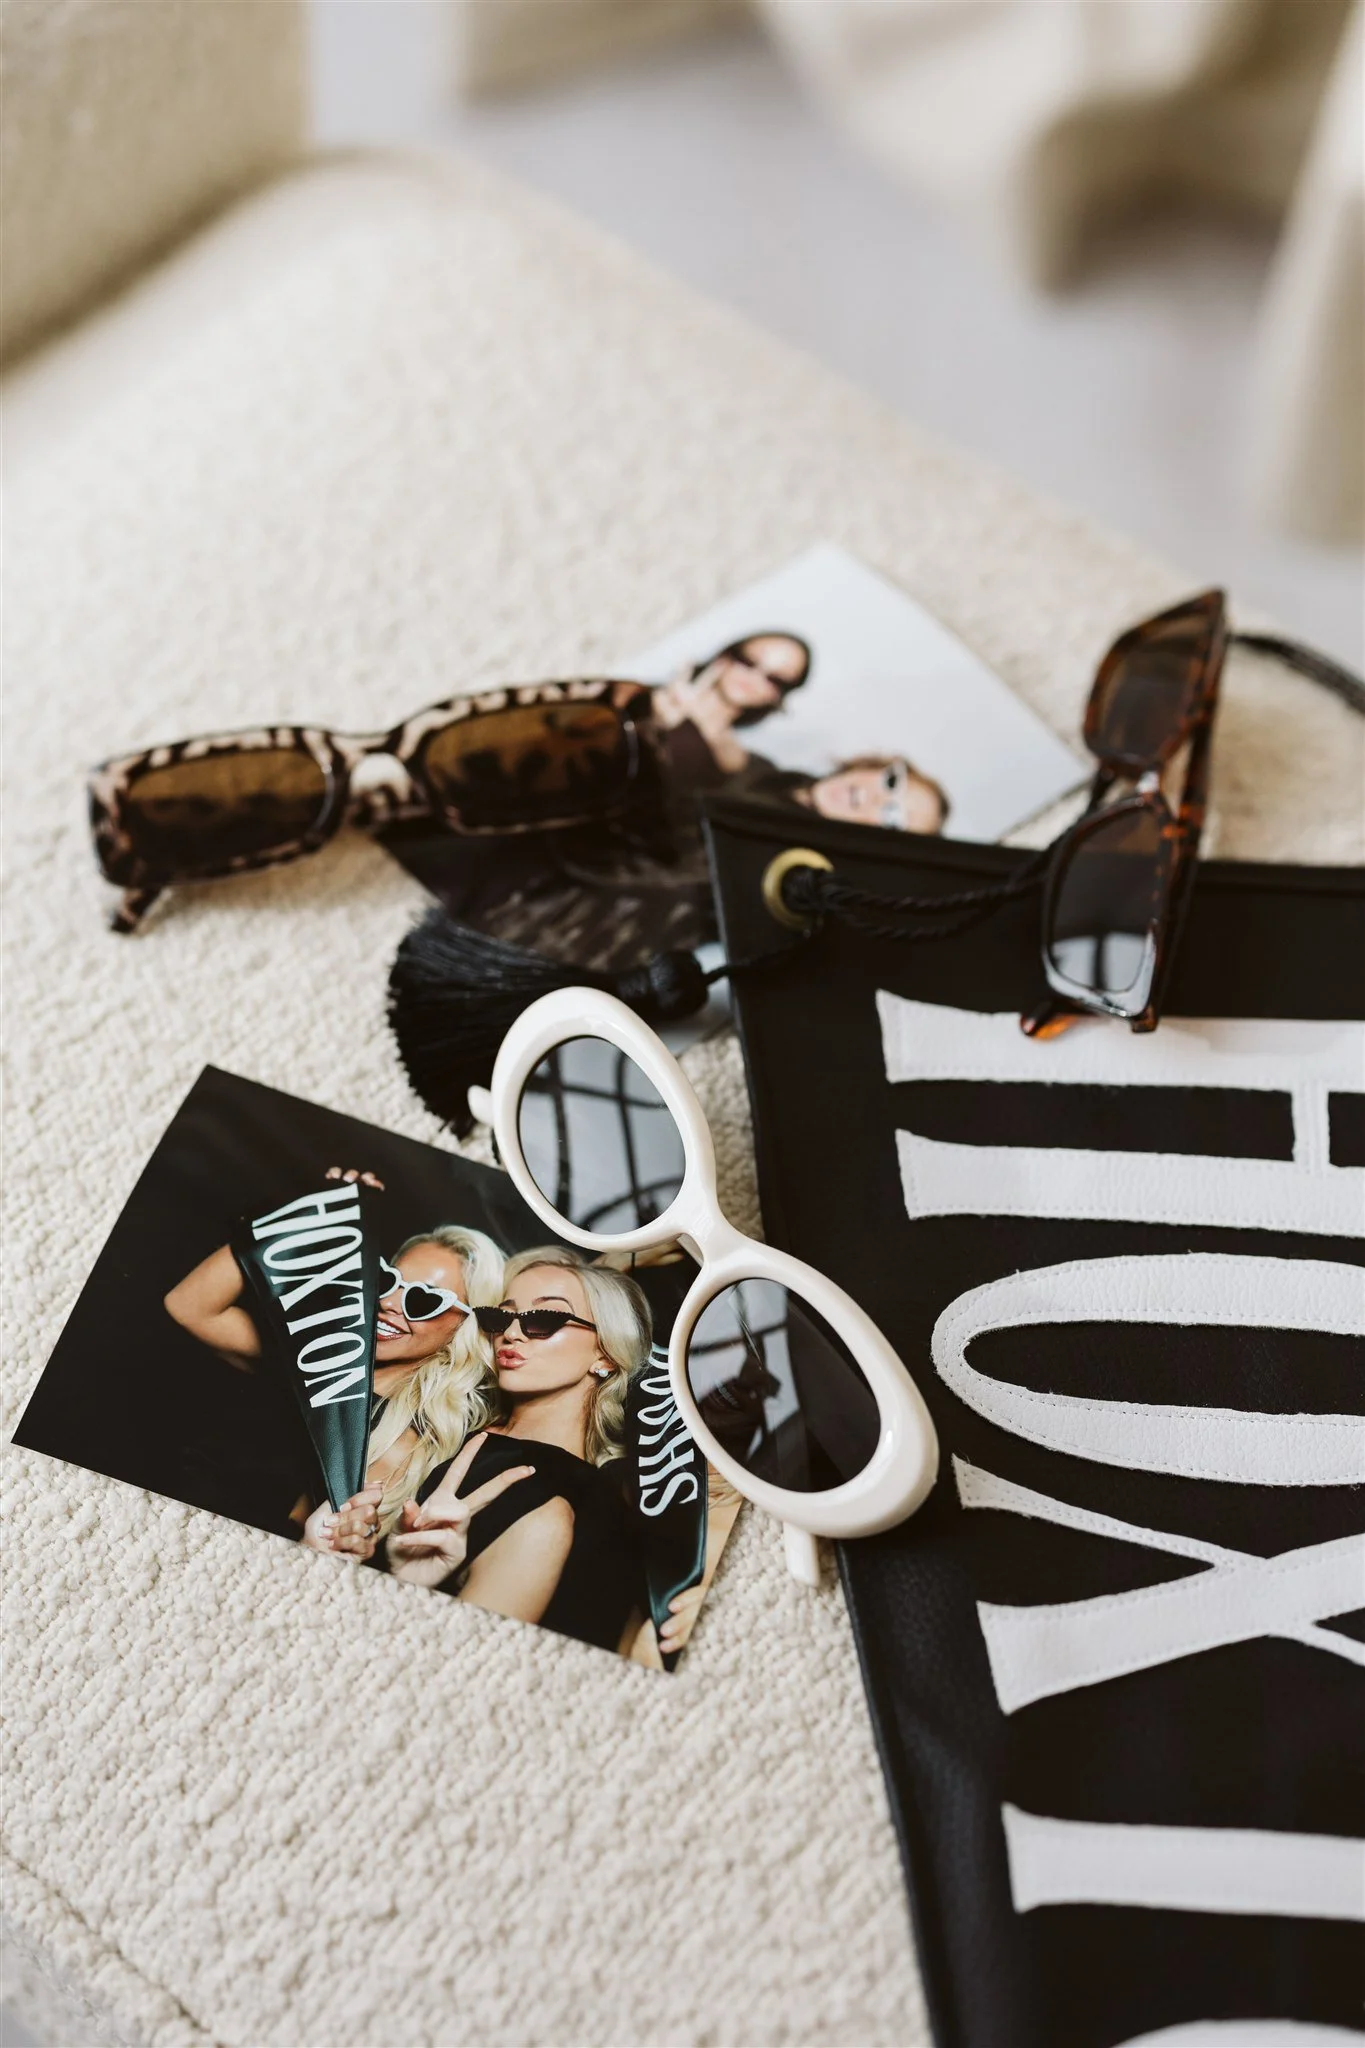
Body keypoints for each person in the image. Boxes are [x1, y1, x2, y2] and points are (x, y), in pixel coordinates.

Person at [164, 1180, 504, 1549]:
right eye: (386, 1280)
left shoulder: (400, 1439)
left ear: (463, 1327)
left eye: (423, 1300)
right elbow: (189, 1306)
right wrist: (317, 1214)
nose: (390, 1303)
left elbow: (294, 1531)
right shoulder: (317, 1351)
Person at [383, 1246, 651, 1652]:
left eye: (544, 1319)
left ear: (606, 1355)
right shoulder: (458, 1428)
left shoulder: (565, 1502)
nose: (512, 1333)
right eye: (501, 1316)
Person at [652, 632, 811, 785]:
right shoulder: (653, 696)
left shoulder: (732, 758)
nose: (754, 677)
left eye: (775, 679)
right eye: (748, 662)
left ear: (778, 697)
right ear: (725, 658)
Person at [767, 753, 949, 835]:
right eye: (892, 782)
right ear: (871, 766)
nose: (879, 798)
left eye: (893, 818)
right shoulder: (754, 768)